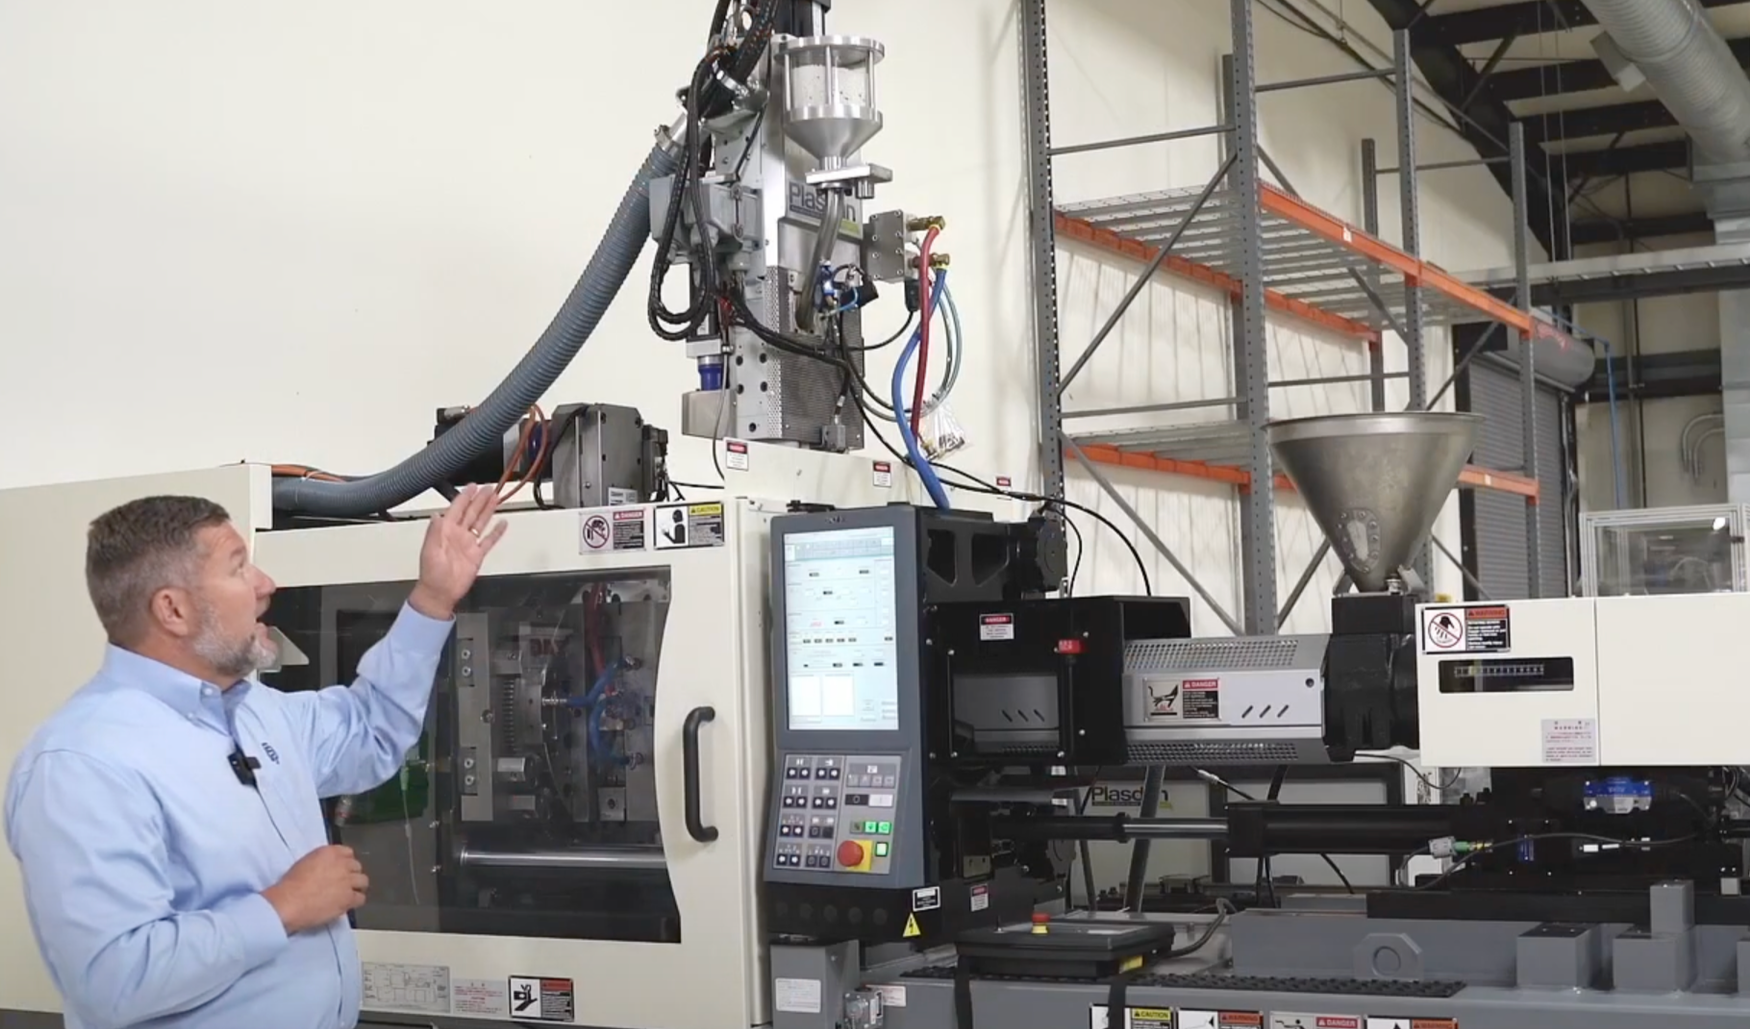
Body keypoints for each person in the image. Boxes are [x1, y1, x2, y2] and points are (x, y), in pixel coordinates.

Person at [4, 484, 508, 1029]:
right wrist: (283, 907)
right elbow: (115, 980)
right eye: (239, 568)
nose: (267, 585)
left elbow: (371, 729)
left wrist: (432, 600)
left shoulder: (256, 712)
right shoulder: (82, 762)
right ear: (172, 609)